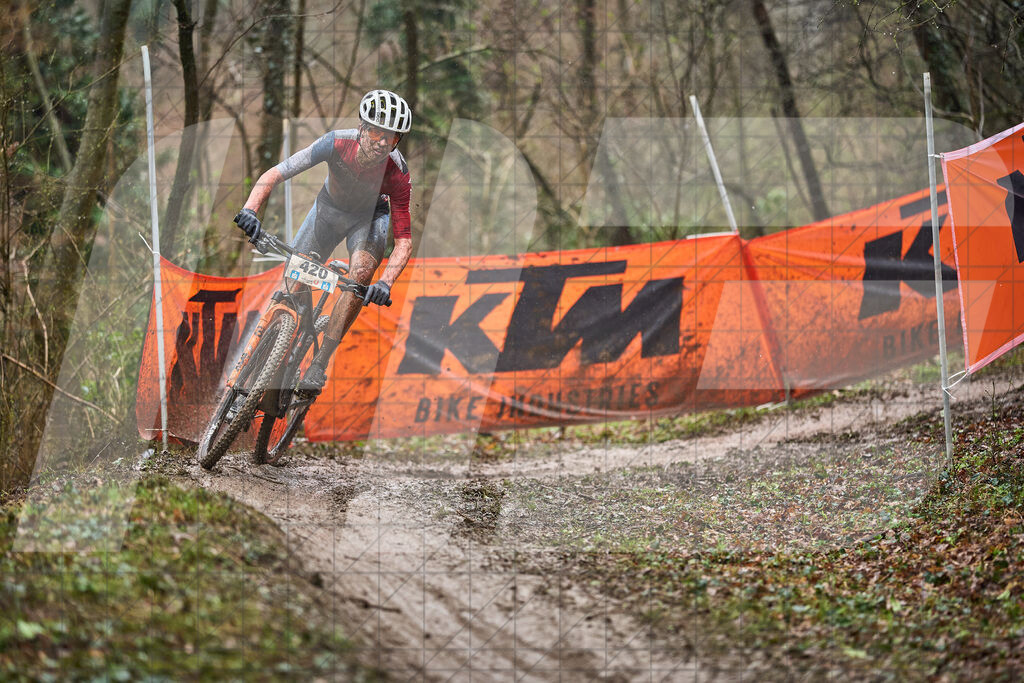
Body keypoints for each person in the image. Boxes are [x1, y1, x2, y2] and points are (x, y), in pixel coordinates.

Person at [233, 89, 414, 396]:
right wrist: (250, 209)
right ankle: (288, 330)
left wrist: (385, 282)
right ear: (361, 128)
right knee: (295, 281)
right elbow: (276, 173)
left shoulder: (397, 173)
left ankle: (320, 361)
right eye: (376, 132)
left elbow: (404, 242)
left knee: (359, 275)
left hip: (368, 220)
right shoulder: (335, 142)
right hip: (328, 212)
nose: (383, 142)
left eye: (392, 138)